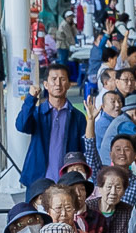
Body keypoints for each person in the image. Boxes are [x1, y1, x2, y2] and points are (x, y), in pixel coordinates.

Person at [17, 62, 88, 191]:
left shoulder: (78, 117)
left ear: (68, 84)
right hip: (38, 180)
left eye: (62, 79)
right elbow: (21, 126)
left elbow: (83, 150)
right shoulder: (37, 112)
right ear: (46, 84)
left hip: (67, 181)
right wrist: (30, 98)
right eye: (53, 79)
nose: (58, 84)